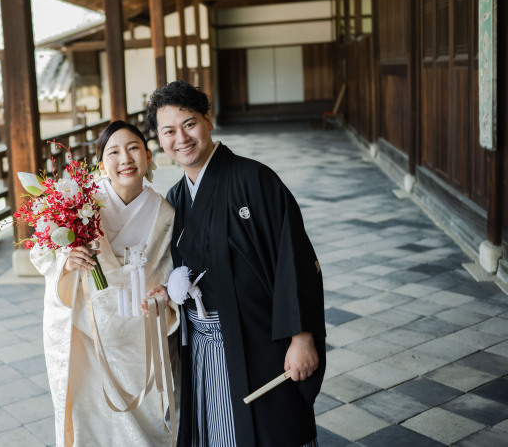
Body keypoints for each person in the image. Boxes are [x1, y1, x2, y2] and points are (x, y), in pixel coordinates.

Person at [145, 81, 326, 447]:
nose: (181, 138)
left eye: (189, 123)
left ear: (208, 121)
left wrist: (302, 335)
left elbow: (295, 260)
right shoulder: (176, 197)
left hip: (259, 340)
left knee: (270, 430)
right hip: (202, 345)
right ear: (160, 140)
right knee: (215, 431)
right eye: (169, 131)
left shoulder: (254, 180)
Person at [30, 120, 180, 447]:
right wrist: (65, 261)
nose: (124, 158)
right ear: (101, 165)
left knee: (147, 422)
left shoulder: (165, 213)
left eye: (133, 148)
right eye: (113, 152)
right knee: (91, 423)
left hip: (138, 334)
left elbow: (169, 267)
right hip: (88, 332)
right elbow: (41, 251)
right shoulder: (81, 203)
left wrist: (164, 293)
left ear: (148, 155)